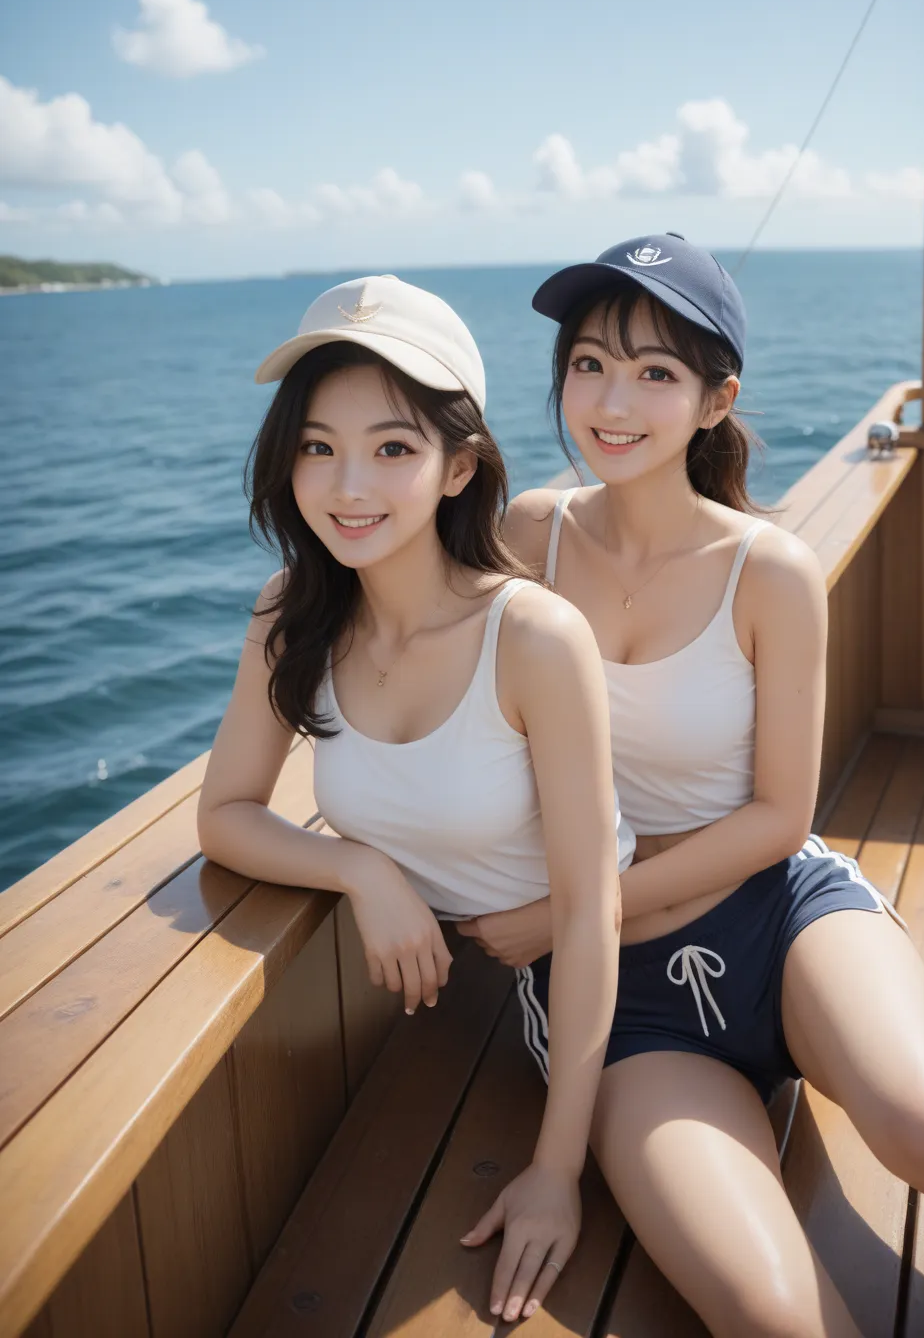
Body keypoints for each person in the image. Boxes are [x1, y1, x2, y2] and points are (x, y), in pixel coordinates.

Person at [461, 234, 924, 1337]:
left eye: (655, 373)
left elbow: (777, 821)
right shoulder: (530, 534)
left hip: (777, 913)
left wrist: (566, 906)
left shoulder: (768, 570)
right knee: (775, 1316)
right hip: (620, 995)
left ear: (716, 400)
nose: (611, 401)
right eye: (588, 364)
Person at [197, 274, 630, 1327]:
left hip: (635, 961)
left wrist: (552, 1169)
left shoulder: (530, 635)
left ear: (459, 466)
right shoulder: (290, 615)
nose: (348, 483)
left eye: (392, 447)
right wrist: (359, 866)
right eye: (315, 444)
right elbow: (224, 816)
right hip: (522, 994)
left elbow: (588, 910)